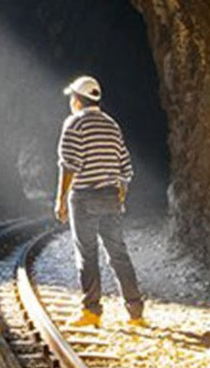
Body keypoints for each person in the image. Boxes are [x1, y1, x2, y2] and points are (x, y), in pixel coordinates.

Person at [54, 75, 144, 328]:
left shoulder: (74, 123)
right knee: (118, 254)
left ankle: (91, 311)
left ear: (77, 100)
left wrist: (60, 199)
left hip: (84, 198)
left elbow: (69, 165)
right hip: (110, 196)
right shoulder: (111, 125)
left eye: (72, 97)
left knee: (87, 254)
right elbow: (125, 167)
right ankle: (135, 311)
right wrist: (120, 193)